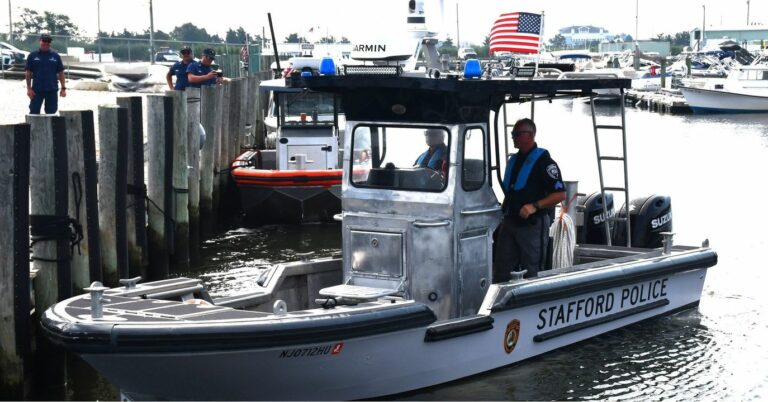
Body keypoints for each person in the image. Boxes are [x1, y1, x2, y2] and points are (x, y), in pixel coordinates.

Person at [494, 118, 565, 281]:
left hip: (532, 226)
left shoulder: (545, 163)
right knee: (501, 269)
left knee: (533, 271)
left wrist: (534, 206)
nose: (513, 137)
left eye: (517, 134)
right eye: (513, 134)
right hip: (510, 222)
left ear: (530, 135)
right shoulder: (514, 161)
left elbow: (560, 195)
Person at [25, 33, 66, 115]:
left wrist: (63, 88)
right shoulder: (32, 56)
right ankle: (35, 128)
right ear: (39, 41)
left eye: (48, 41)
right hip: (36, 91)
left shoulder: (56, 56)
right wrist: (29, 88)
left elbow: (61, 73)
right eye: (44, 41)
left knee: (51, 114)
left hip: (52, 90)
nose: (46, 43)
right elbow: (28, 73)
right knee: (33, 113)